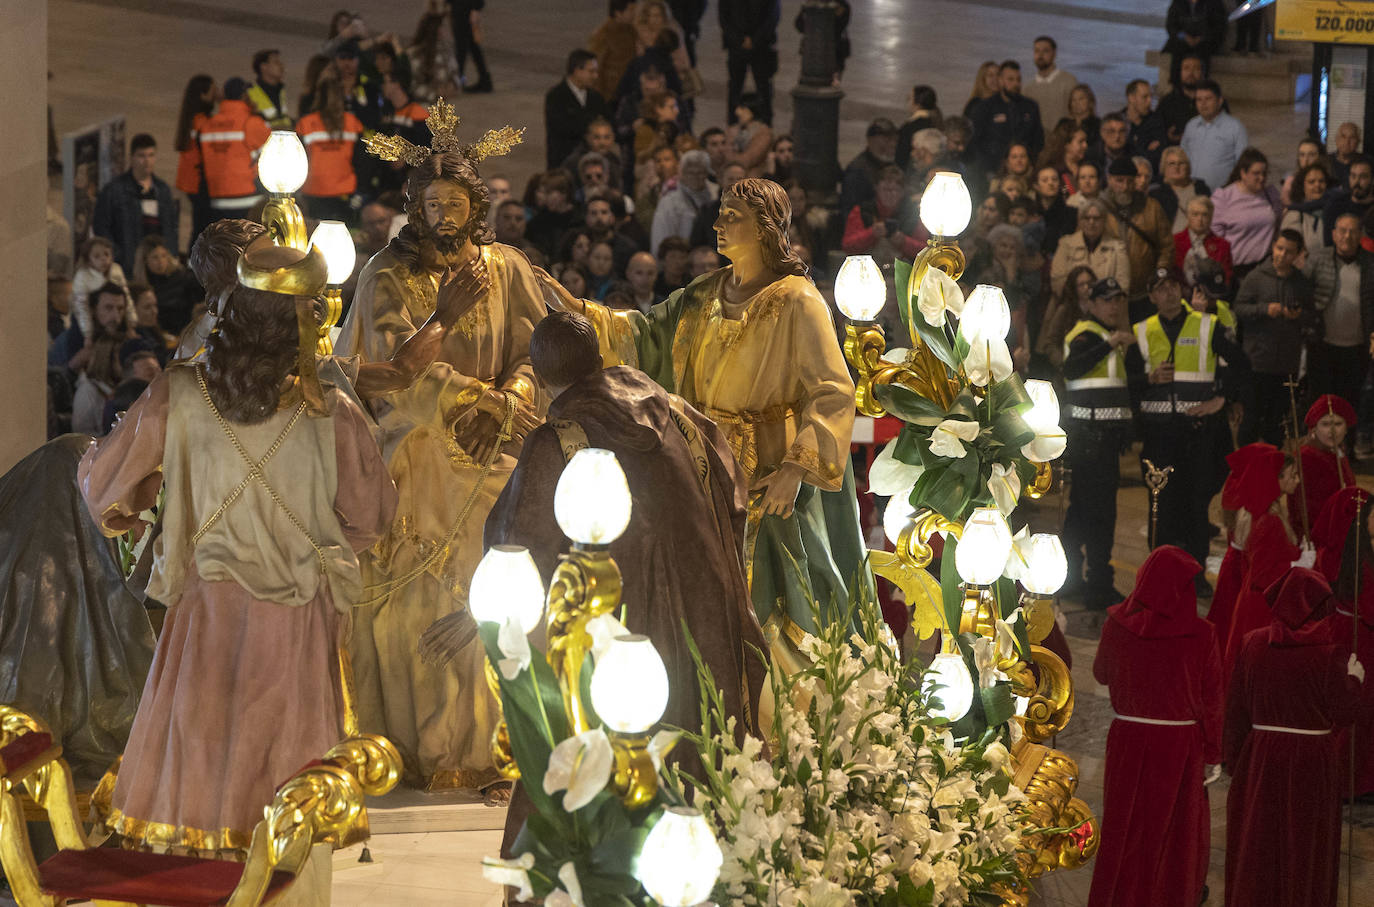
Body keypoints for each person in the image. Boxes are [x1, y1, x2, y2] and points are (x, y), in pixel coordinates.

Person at [78, 243, 398, 850]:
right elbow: (372, 516)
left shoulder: (178, 393)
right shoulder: (329, 405)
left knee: (201, 751)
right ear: (304, 320)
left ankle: (200, 867)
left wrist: (146, 492)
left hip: (207, 608)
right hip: (299, 609)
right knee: (285, 776)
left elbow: (103, 494)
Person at [467, 310, 766, 858]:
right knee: (700, 743)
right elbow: (736, 491)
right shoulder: (679, 413)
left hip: (615, 630)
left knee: (599, 751)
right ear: (598, 358)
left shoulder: (558, 440)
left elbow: (514, 543)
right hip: (705, 611)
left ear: (537, 376)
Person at [542, 178, 869, 668]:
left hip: (766, 469)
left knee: (766, 591)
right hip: (699, 458)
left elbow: (832, 389)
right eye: (719, 212)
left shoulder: (798, 300)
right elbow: (643, 334)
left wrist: (795, 469)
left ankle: (777, 703)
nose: (717, 224)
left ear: (765, 228)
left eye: (732, 216)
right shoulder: (705, 293)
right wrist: (575, 310)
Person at [337, 127, 547, 792]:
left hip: (497, 446)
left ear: (474, 208)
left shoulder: (507, 269)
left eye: (454, 205)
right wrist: (467, 391)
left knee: (512, 578)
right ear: (414, 206)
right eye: (431, 205)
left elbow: (535, 352)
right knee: (416, 603)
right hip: (420, 451)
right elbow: (393, 376)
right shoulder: (387, 277)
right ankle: (425, 741)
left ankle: (500, 741)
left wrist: (510, 401)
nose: (442, 217)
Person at [1088, 545, 1221, 907]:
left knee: (1126, 826)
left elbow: (1101, 673)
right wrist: (1213, 752)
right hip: (1180, 746)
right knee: (1175, 832)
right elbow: (1212, 701)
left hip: (1129, 739)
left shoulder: (1116, 624)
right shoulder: (1202, 634)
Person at [1224, 568, 1364, 907]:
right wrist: (1355, 682)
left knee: (1259, 843)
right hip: (1311, 760)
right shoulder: (1331, 654)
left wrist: (1234, 762)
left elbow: (1236, 711)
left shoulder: (1253, 642)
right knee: (1304, 845)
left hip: (1260, 757)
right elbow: (1345, 714)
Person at [1135, 266, 1249, 572]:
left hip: (1196, 434)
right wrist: (1148, 378)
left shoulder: (1206, 325)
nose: (1169, 292)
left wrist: (1221, 399)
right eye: (1161, 287)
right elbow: (1128, 382)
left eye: (1174, 284)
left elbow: (1241, 364)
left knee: (1196, 509)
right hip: (1159, 437)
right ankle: (1159, 576)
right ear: (1151, 296)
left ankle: (1194, 576)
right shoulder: (1142, 331)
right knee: (1161, 508)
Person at [1061, 277, 1140, 608]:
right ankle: (1097, 587)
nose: (1114, 306)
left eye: (1118, 300)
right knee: (1100, 515)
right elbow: (1072, 368)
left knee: (1082, 513)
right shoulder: (1088, 335)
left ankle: (1071, 580)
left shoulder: (1105, 336)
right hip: (1090, 441)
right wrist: (1111, 344)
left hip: (1099, 442)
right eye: (1106, 300)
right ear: (1091, 303)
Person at [1223, 451, 1303, 672]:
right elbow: (1262, 574)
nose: (1297, 480)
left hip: (1252, 603)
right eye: (1292, 475)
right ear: (1276, 480)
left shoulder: (1258, 512)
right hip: (1263, 610)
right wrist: (1298, 565)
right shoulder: (1270, 521)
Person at [1234, 230, 1314, 445]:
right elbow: (1239, 309)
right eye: (1279, 248)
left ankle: (1274, 467)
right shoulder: (1256, 277)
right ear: (1272, 247)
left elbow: (1311, 315)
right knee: (1251, 418)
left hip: (1286, 364)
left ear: (1297, 254)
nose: (1282, 255)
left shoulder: (1301, 282)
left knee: (1277, 421)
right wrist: (1263, 309)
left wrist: (1298, 316)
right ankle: (1244, 469)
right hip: (1256, 362)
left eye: (1289, 252)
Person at [1306, 213, 1374, 411]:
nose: (1347, 236)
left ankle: (1347, 442)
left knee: (1349, 404)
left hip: (1358, 348)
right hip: (1322, 345)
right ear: (1334, 234)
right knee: (1319, 403)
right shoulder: (1318, 259)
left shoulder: (1370, 264)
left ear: (1360, 235)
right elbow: (1303, 293)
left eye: (1353, 232)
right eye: (1343, 231)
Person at [93, 133, 178, 275]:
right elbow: (101, 227)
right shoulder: (114, 190)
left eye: (151, 155)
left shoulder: (162, 190)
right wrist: (119, 256)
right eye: (141, 156)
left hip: (159, 265)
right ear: (131, 157)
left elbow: (171, 226)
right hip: (129, 266)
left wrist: (170, 254)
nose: (147, 161)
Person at [192, 77, 271, 224]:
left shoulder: (208, 125)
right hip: (249, 199)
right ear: (244, 96)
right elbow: (274, 153)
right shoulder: (251, 122)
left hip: (217, 201)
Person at [296, 73, 365, 224]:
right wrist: (361, 191)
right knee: (346, 235)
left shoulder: (305, 123)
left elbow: (297, 161)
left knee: (316, 238)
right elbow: (362, 162)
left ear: (318, 96)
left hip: (313, 191)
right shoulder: (353, 123)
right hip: (345, 193)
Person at [1104, 157, 1172, 311]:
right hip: (1108, 293)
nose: (1125, 187)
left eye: (1129, 181)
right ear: (1109, 180)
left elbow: (1166, 246)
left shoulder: (1151, 208)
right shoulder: (1099, 209)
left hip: (1144, 293)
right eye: (1119, 181)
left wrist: (1160, 274)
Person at [1293, 395, 1358, 544]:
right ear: (1314, 428)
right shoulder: (1307, 457)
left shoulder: (1336, 451)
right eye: (1326, 424)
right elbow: (1302, 507)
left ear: (1346, 428)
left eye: (1338, 423)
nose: (1333, 431)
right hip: (1318, 537)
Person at [1211, 148, 1282, 282]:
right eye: (1256, 173)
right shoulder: (1224, 197)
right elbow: (1215, 237)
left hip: (1265, 269)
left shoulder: (1271, 195)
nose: (1261, 178)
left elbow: (1278, 224)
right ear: (1243, 173)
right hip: (1235, 272)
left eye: (1264, 173)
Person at [969, 60, 1044, 173]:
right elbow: (976, 142)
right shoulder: (984, 108)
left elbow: (1038, 140)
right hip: (992, 170)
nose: (1015, 84)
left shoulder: (1031, 107)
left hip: (1024, 171)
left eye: (1018, 80)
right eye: (1010, 79)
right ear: (1000, 80)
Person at [545, 50, 610, 170]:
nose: (596, 76)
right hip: (563, 165)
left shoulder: (596, 97)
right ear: (577, 71)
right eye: (591, 72)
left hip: (592, 166)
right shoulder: (556, 97)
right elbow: (562, 128)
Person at [1180, 79, 1248, 194]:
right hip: (1190, 194)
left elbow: (1243, 165)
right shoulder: (1191, 126)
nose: (1203, 104)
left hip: (1220, 196)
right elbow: (1182, 157)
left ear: (1220, 101)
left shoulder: (1235, 127)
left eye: (1208, 99)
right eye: (1199, 100)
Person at [1050, 199, 1130, 296]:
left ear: (1104, 221)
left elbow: (1123, 285)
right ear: (1080, 221)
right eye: (1087, 218)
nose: (1091, 222)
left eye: (1096, 218)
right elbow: (1057, 279)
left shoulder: (1117, 248)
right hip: (1073, 305)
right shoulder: (1066, 244)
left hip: (1106, 306)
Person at [719, 0, 780, 126]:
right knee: (735, 87)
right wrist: (739, 39)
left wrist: (755, 40)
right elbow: (724, 17)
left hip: (762, 47)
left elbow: (772, 17)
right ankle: (733, 123)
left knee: (763, 87)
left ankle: (766, 123)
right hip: (736, 46)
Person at [173, 74, 218, 246]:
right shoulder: (204, 123)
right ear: (203, 95)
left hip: (188, 181)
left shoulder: (191, 119)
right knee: (202, 226)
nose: (217, 95)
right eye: (214, 91)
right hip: (198, 182)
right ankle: (194, 263)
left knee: (199, 223)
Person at [133, 235, 202, 336]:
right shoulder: (140, 287)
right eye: (155, 257)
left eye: (164, 256)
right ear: (145, 261)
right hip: (158, 334)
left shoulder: (183, 277)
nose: (160, 262)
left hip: (186, 332)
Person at [69, 235, 129, 340]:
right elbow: (81, 307)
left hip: (115, 320)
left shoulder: (116, 271)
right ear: (88, 260)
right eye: (97, 256)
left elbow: (126, 298)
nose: (103, 259)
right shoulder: (83, 276)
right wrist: (87, 334)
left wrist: (131, 323)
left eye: (107, 254)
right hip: (84, 322)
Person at [839, 118, 899, 218]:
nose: (893, 144)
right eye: (887, 139)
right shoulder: (857, 170)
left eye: (894, 139)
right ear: (870, 140)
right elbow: (850, 209)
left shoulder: (891, 166)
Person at [1174, 195, 1233, 288]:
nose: (1200, 219)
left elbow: (1227, 279)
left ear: (1211, 217)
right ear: (1187, 216)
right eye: (1195, 214)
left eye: (1204, 215)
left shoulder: (1223, 245)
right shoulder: (1175, 242)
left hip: (1213, 297)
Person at [1163, 0, 1227, 83]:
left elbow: (1220, 26)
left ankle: (1203, 82)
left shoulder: (1214, 3)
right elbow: (1171, 25)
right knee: (1177, 49)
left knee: (1203, 51)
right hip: (1182, 41)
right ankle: (1176, 82)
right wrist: (1184, 37)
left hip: (1206, 41)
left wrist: (1202, 38)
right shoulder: (1178, 3)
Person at [1023, 35, 1076, 134]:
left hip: (1062, 142)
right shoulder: (1027, 88)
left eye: (1045, 51)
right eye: (1037, 51)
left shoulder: (1069, 82)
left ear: (1054, 54)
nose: (1040, 55)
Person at [589, 0, 641, 102]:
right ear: (618, 13)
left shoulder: (631, 30)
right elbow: (596, 67)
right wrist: (600, 98)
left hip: (629, 91)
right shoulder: (603, 35)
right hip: (612, 95)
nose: (634, 13)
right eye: (631, 10)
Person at [1322, 155, 1374, 247]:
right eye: (1353, 176)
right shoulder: (1335, 206)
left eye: (1363, 177)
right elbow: (1329, 243)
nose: (1356, 182)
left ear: (1372, 179)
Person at [1281, 161, 1332, 254]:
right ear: (1303, 186)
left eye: (1321, 181)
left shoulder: (1335, 211)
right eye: (1311, 182)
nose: (1317, 185)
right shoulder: (1295, 215)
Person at [1159, 53, 1204, 145]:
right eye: (1186, 68)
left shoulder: (1211, 100)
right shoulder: (1168, 101)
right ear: (1180, 72)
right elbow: (1157, 129)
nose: (1191, 73)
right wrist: (1168, 137)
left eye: (1196, 69)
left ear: (1202, 73)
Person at [447, 0, 492, 93]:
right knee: (472, 47)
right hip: (460, 7)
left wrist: (476, 8)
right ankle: (485, 80)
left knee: (461, 48)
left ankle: (457, 82)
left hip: (465, 9)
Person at [1123, 78, 1167, 171]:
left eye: (1151, 97)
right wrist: (1146, 150)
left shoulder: (1156, 122)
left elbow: (1158, 156)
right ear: (1131, 98)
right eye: (1145, 97)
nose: (1149, 101)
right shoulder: (1119, 121)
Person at [895, 84, 942, 171]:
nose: (907, 103)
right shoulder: (938, 122)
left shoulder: (910, 127)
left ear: (917, 104)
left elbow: (901, 155)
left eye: (909, 99)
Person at [246, 48, 293, 129]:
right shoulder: (250, 94)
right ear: (263, 67)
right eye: (276, 62)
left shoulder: (281, 91)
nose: (281, 66)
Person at [1329, 122, 1363, 188]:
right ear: (1336, 140)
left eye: (1352, 137)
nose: (1347, 142)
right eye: (1343, 137)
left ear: (1358, 141)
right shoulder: (1325, 161)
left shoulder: (1367, 163)